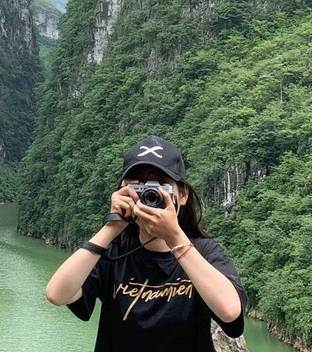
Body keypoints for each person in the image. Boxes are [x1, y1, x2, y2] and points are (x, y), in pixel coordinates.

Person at [45, 136, 247, 352]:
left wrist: (175, 238)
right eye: (138, 185)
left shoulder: (203, 253)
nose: (150, 194)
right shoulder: (114, 253)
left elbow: (230, 311)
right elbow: (57, 294)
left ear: (183, 194)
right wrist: (112, 227)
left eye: (162, 185)